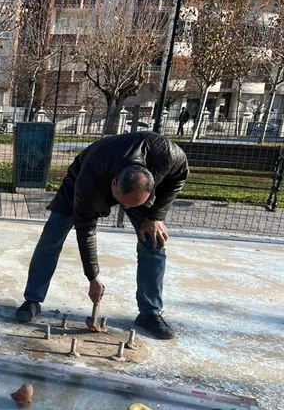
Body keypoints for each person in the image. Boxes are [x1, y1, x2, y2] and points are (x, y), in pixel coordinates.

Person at [15, 132, 188, 339]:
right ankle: (33, 300)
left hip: (132, 186)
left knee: (153, 239)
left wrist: (155, 215)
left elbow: (179, 177)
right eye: (123, 202)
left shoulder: (167, 155)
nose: (124, 208)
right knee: (51, 236)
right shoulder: (88, 182)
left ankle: (150, 313)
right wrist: (93, 277)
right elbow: (86, 230)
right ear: (114, 183)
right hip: (85, 179)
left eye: (130, 205)